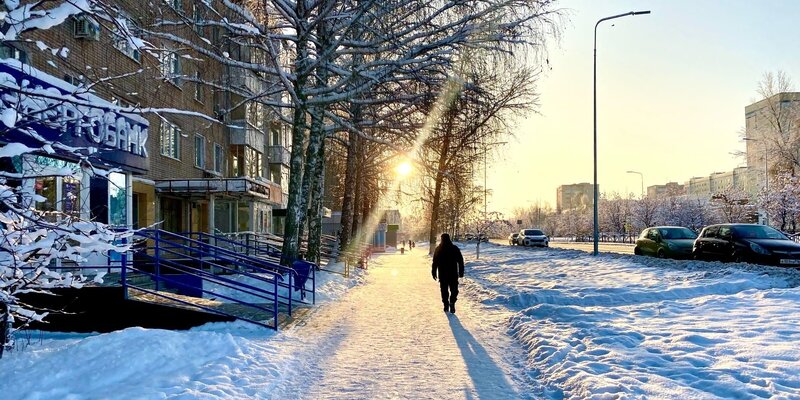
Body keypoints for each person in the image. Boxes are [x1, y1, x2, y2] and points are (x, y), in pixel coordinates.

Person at [431, 233, 464, 313]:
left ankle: (446, 304)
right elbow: (460, 261)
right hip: (453, 274)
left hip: (443, 274)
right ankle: (452, 301)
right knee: (454, 290)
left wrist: (434, 272)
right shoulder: (454, 248)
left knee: (444, 290)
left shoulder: (438, 249)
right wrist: (461, 272)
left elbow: (435, 262)